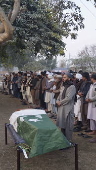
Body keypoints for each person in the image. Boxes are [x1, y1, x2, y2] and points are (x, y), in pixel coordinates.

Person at [56, 73, 76, 141]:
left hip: (68, 108)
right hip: (61, 107)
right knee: (62, 124)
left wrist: (60, 102)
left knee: (68, 125)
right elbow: (60, 95)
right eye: (63, 77)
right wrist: (57, 101)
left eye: (64, 77)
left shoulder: (72, 87)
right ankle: (63, 140)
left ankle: (68, 141)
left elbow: (68, 98)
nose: (63, 78)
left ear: (69, 78)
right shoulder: (63, 86)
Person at [86, 73, 96, 142]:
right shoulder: (92, 84)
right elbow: (88, 92)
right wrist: (87, 98)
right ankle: (93, 130)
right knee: (91, 117)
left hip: (94, 104)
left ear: (93, 78)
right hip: (90, 103)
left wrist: (91, 99)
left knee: (95, 118)